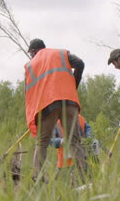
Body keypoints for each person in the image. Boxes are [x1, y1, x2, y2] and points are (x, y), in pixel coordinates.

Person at [24, 38, 87, 182]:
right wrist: (73, 85)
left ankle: (38, 179)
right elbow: (80, 63)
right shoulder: (61, 54)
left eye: (31, 53)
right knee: (75, 142)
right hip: (69, 102)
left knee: (42, 142)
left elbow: (27, 95)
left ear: (33, 51)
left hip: (48, 105)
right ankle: (85, 178)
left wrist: (32, 117)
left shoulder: (30, 65)